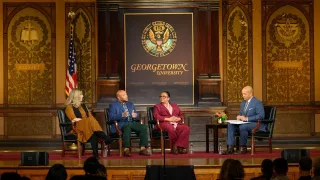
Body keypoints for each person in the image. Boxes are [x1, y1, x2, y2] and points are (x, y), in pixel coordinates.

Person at [65, 88, 112, 159]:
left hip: (88, 127)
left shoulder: (83, 106)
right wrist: (84, 120)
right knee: (90, 120)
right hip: (76, 127)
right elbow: (74, 119)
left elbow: (90, 115)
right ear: (76, 96)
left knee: (93, 133)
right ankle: (104, 136)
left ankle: (95, 155)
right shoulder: (69, 107)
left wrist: (86, 120)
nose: (82, 96)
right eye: (81, 94)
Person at [108, 90, 150, 157]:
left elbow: (136, 115)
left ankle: (142, 148)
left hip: (131, 123)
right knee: (127, 125)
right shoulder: (113, 105)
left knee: (143, 127)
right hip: (121, 125)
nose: (126, 96)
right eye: (124, 95)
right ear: (118, 97)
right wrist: (122, 115)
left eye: (126, 94)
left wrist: (135, 115)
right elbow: (111, 117)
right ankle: (126, 149)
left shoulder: (130, 104)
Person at [227, 86, 265, 154]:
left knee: (243, 127)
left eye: (245, 94)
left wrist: (247, 119)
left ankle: (243, 148)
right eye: (242, 94)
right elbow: (242, 114)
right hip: (244, 123)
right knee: (230, 125)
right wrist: (239, 116)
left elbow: (261, 116)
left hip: (256, 123)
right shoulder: (243, 103)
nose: (243, 95)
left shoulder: (257, 103)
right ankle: (230, 147)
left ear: (250, 94)